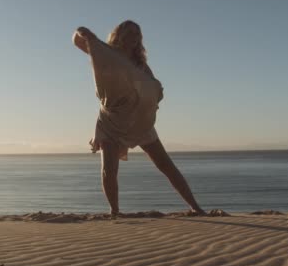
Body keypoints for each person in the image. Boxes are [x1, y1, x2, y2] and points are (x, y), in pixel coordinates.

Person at [73, 20, 206, 217]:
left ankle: (196, 207)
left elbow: (151, 86)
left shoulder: (141, 65)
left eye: (137, 34)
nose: (134, 37)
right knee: (109, 169)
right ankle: (115, 211)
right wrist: (85, 35)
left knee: (166, 165)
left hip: (139, 122)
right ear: (119, 34)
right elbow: (78, 40)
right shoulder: (107, 54)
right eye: (130, 32)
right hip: (112, 121)